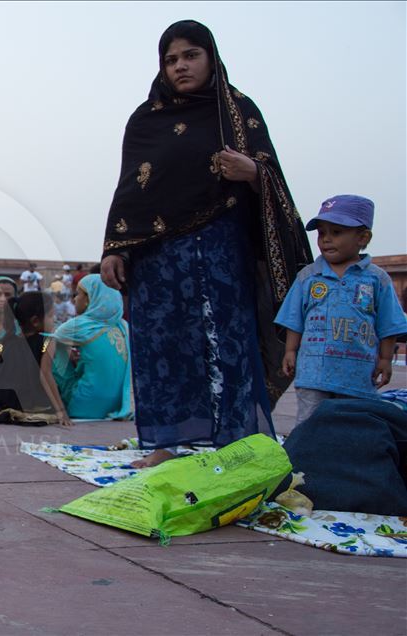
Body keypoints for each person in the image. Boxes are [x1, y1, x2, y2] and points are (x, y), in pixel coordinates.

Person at [99, 20, 312, 467]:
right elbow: (130, 190)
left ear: (211, 57)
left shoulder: (236, 110)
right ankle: (163, 446)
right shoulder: (146, 119)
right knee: (163, 343)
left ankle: (236, 441)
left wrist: (252, 172)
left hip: (220, 248)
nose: (180, 66)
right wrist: (115, 248)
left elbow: (272, 175)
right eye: (171, 59)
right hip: (157, 257)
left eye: (190, 55)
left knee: (227, 342)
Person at [276, 195, 407, 423]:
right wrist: (290, 351)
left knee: (352, 427)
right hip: (313, 374)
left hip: (358, 376)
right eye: (322, 233)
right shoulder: (308, 277)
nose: (326, 240)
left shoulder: (377, 279)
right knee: (309, 425)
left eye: (336, 233)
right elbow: (294, 318)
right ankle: (307, 459)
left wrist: (386, 359)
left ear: (362, 238)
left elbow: (389, 324)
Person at [0, 292, 73, 426]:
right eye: (51, 315)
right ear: (35, 321)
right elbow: (45, 375)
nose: (54, 319)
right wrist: (61, 410)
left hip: (2, 402)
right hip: (31, 404)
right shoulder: (47, 342)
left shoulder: (4, 342)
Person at [50, 275, 133, 420]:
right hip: (117, 405)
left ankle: (57, 406)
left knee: (49, 348)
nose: (74, 299)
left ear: (89, 299)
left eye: (77, 294)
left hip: (84, 405)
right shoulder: (124, 325)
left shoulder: (78, 325)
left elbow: (51, 340)